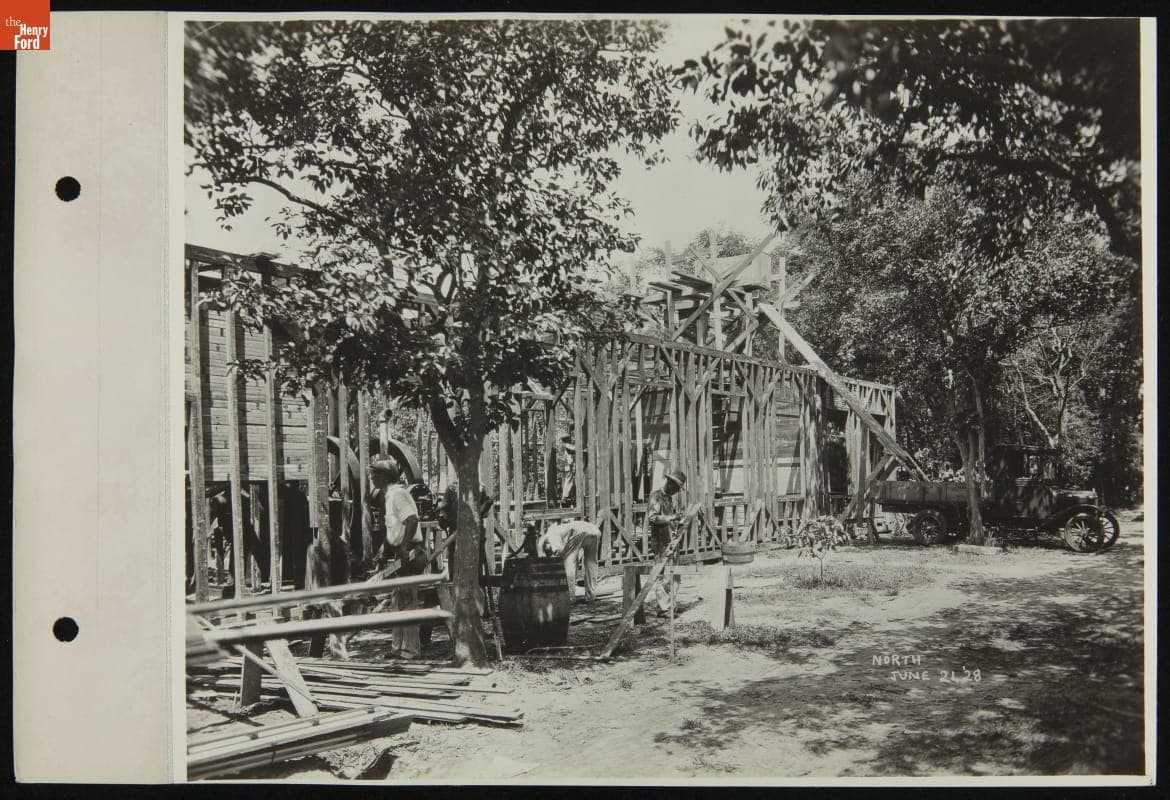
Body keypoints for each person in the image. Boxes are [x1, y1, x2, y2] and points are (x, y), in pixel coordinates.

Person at [368, 459, 422, 659]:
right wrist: (384, 549)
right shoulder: (389, 496)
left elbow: (412, 520)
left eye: (374, 474)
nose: (372, 478)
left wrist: (405, 547)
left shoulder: (398, 495)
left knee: (407, 601)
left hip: (411, 554)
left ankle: (411, 651)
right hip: (401, 553)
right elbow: (395, 528)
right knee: (397, 602)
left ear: (383, 477)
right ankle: (397, 649)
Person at [645, 470, 687, 617]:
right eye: (676, 488)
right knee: (661, 574)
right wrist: (671, 517)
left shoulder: (669, 498)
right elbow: (653, 518)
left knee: (674, 574)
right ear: (670, 483)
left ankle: (670, 605)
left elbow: (669, 519)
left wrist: (677, 521)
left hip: (671, 540)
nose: (676, 492)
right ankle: (664, 608)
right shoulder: (656, 496)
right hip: (660, 541)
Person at [537, 520, 602, 603]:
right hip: (595, 531)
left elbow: (559, 550)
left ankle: (570, 598)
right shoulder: (560, 529)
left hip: (579, 532)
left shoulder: (550, 534)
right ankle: (591, 596)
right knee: (591, 562)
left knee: (569, 564)